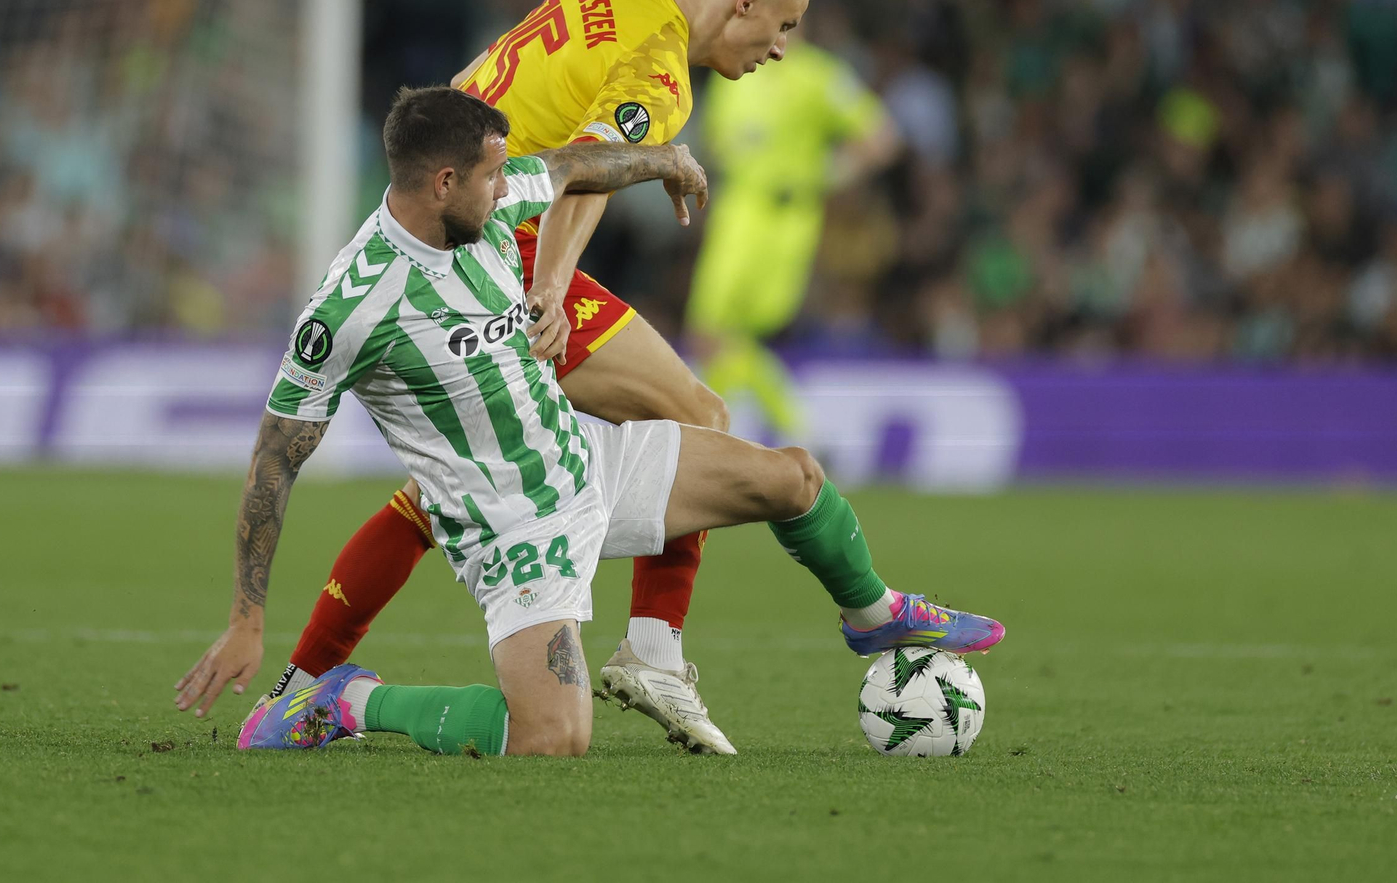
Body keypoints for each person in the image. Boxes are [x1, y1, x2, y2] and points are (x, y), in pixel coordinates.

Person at [173, 87, 1006, 758]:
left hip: (591, 463)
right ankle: (347, 700)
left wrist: (665, 159)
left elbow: (571, 166)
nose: (511, 189)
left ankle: (875, 617)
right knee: (553, 737)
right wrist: (249, 617)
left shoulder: (487, 204)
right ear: (443, 184)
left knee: (794, 477)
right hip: (511, 532)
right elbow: (275, 459)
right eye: (495, 177)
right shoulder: (353, 306)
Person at [265, 0, 817, 755]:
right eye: (784, 25)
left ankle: (304, 685)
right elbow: (587, 166)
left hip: (446, 218)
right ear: (746, 0)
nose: (780, 47)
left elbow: (467, 89)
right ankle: (654, 652)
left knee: (441, 491)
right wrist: (547, 285)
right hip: (506, 238)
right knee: (698, 411)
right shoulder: (662, 73)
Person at [687, 41, 903, 440]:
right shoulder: (733, 67)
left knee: (731, 334)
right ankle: (786, 430)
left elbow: (881, 137)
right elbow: (716, 142)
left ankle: (727, 434)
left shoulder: (819, 75)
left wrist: (825, 175)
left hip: (789, 217)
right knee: (711, 333)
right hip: (737, 209)